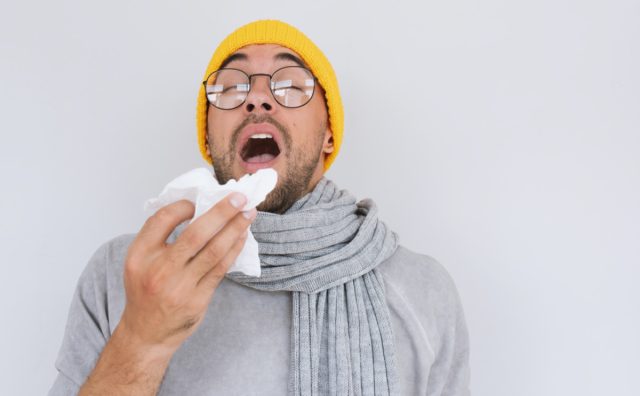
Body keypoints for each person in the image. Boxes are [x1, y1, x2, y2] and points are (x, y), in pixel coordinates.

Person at [49, 20, 470, 396]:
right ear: (209, 139)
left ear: (328, 135)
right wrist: (140, 341)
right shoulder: (126, 272)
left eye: (290, 85)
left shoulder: (422, 289)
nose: (257, 99)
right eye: (231, 87)